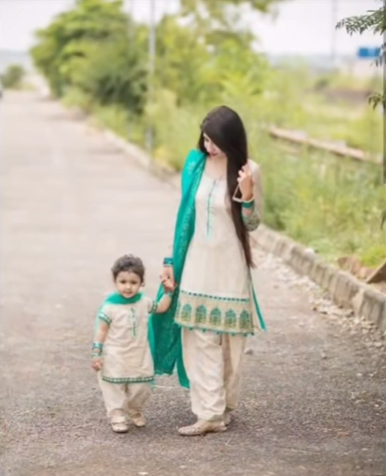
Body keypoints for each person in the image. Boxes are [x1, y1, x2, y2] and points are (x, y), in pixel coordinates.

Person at [149, 105, 266, 436]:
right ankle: (208, 413)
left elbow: (253, 225)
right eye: (205, 139)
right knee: (198, 337)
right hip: (197, 262)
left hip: (230, 267)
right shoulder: (196, 164)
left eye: (215, 141)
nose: (209, 147)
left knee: (230, 343)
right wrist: (170, 261)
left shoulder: (249, 170)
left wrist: (247, 197)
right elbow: (183, 218)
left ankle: (224, 406)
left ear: (231, 140)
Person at [91, 254, 175, 433]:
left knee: (141, 388)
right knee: (114, 387)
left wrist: (168, 292)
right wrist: (96, 352)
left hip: (139, 354)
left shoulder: (144, 302)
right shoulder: (110, 307)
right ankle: (117, 415)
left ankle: (134, 409)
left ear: (141, 283)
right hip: (115, 355)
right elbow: (102, 330)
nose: (128, 287)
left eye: (133, 282)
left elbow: (161, 307)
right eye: (123, 282)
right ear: (115, 281)